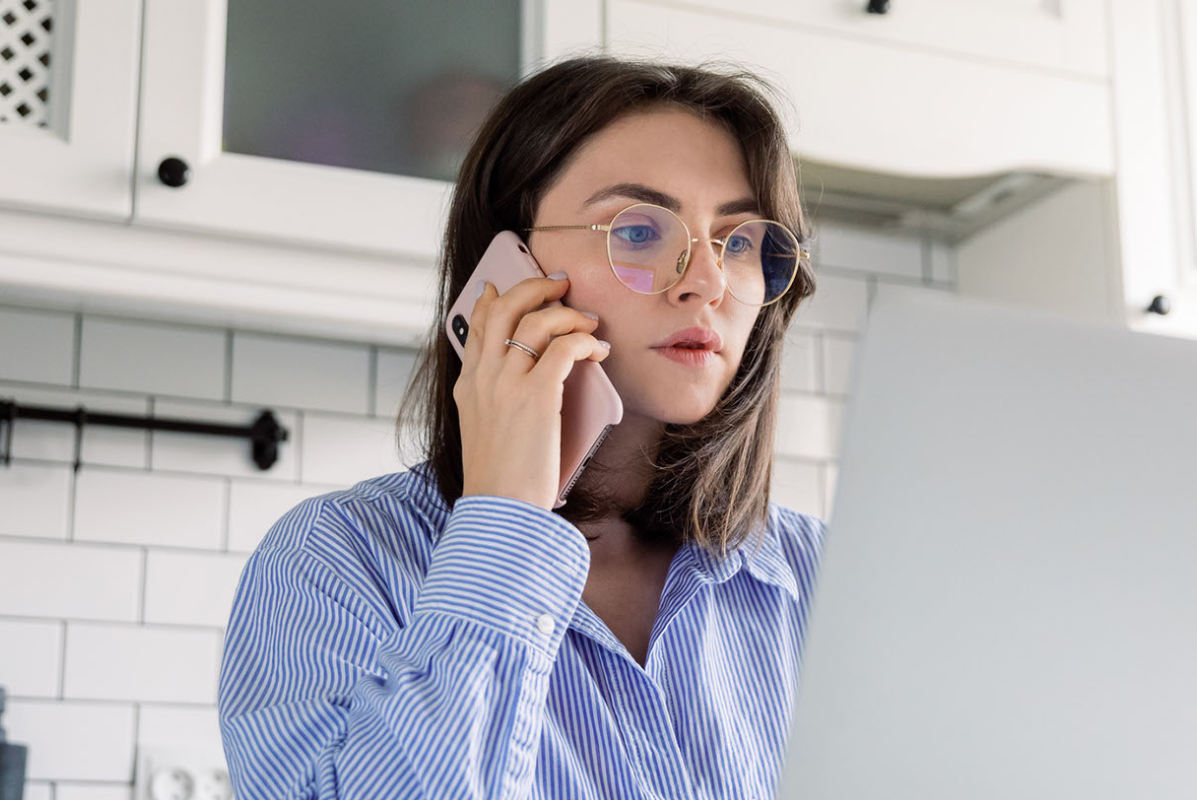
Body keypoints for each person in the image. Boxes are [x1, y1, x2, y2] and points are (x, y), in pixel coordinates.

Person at [218, 54, 828, 800]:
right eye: (638, 230)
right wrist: (506, 517)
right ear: (504, 268)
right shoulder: (338, 560)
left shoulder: (819, 577)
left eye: (737, 242)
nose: (704, 280)